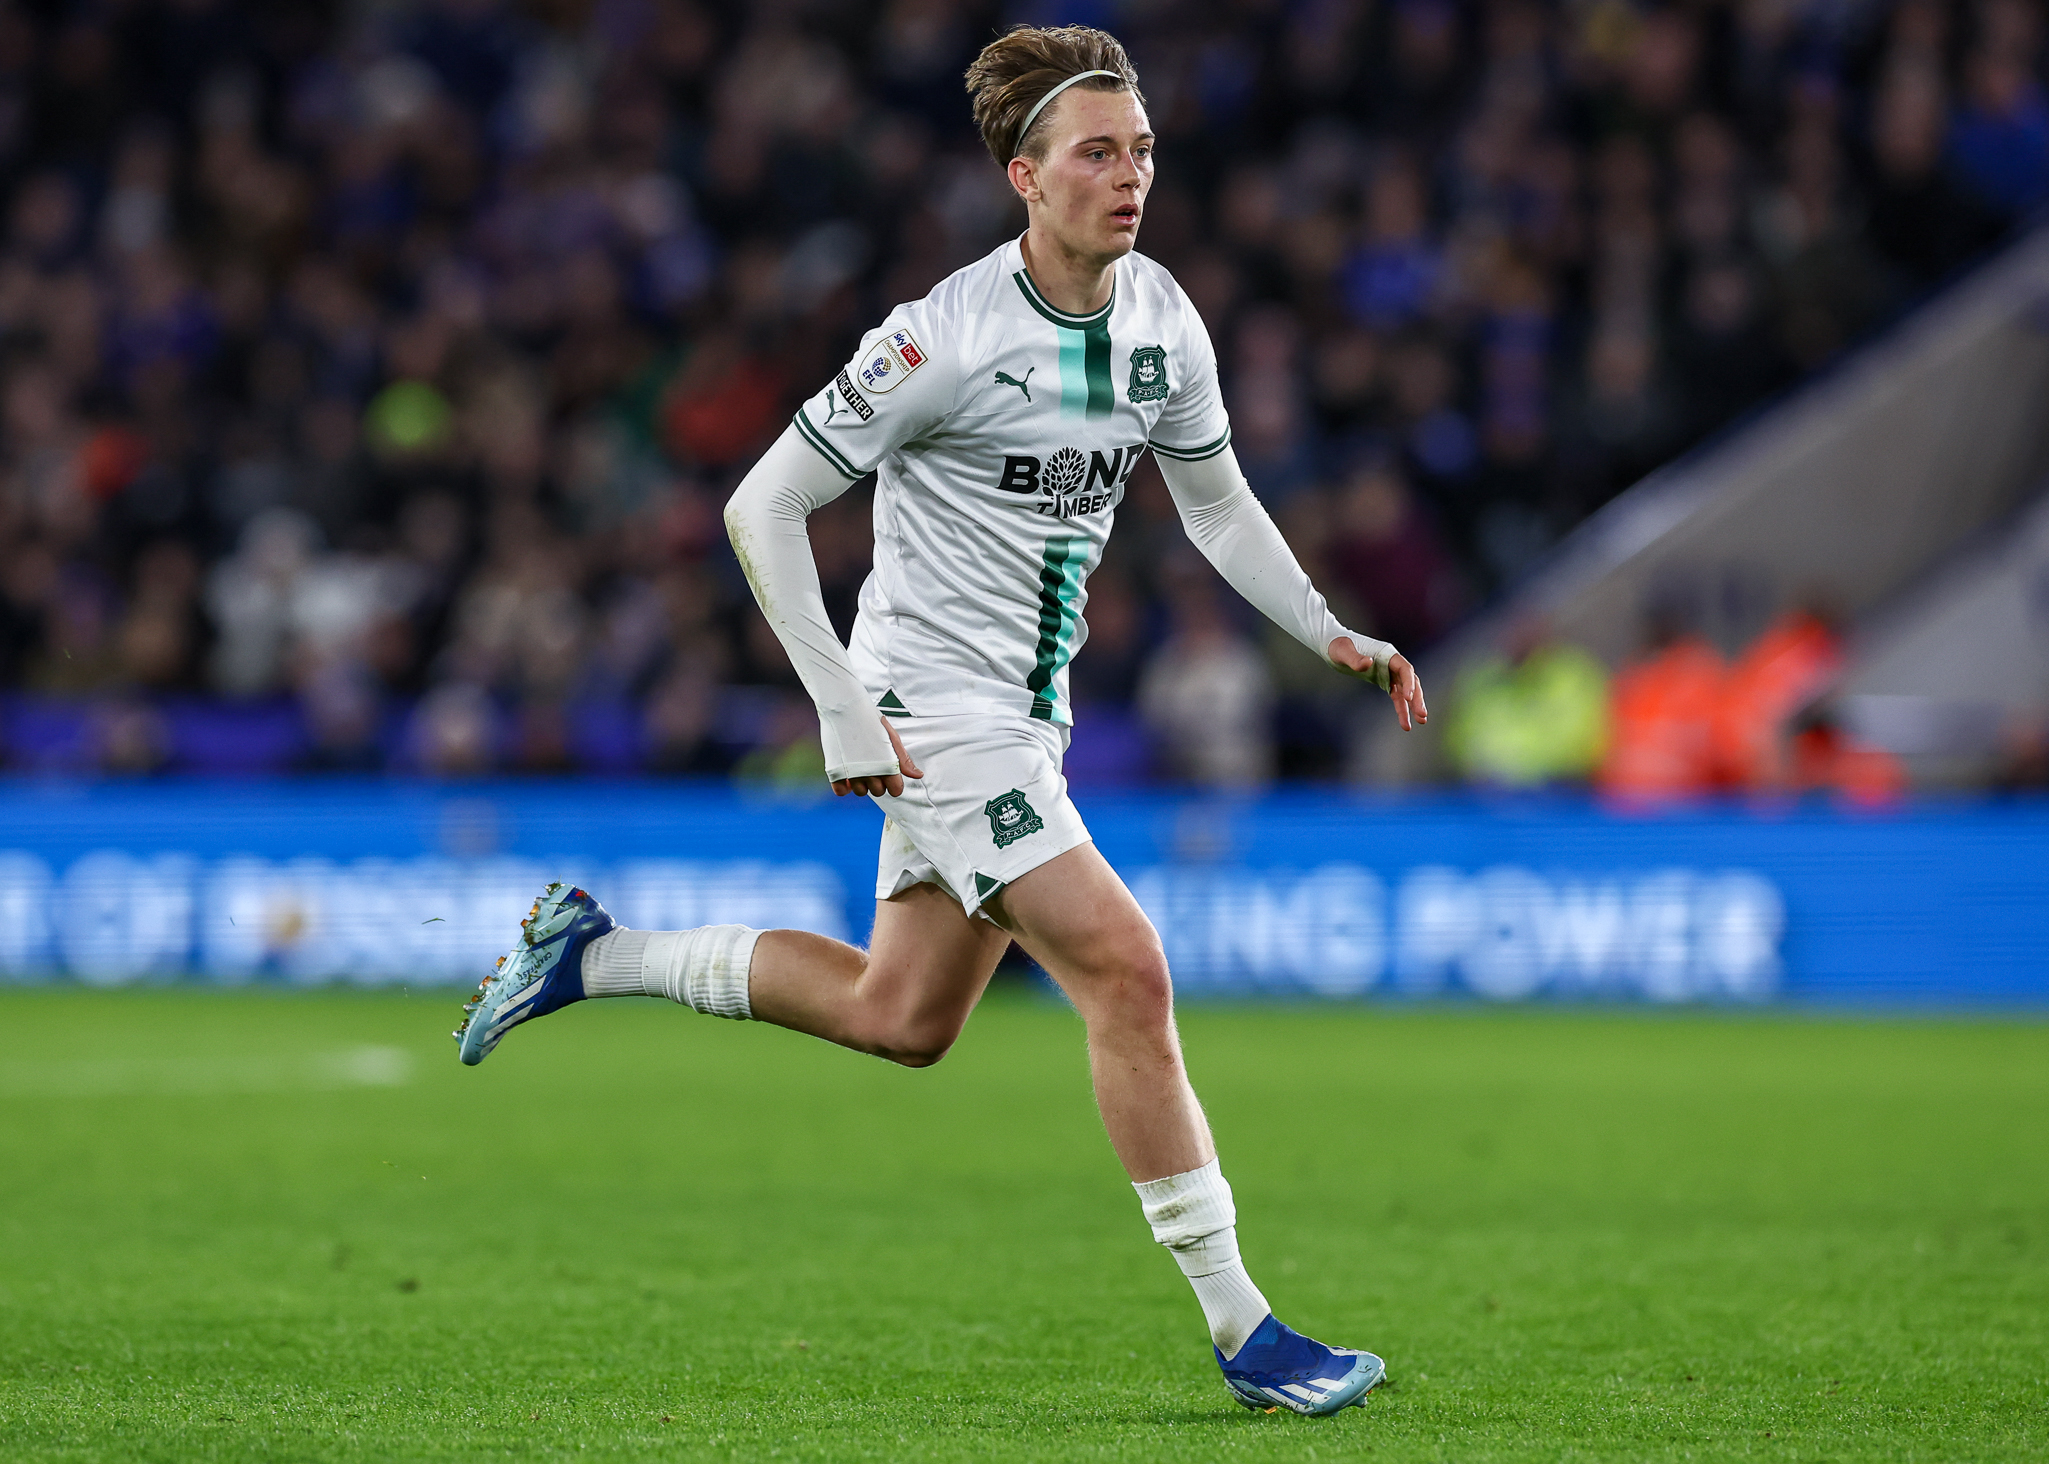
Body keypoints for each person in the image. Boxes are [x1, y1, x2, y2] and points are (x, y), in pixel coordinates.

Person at [453, 25, 1428, 1418]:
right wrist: (843, 709)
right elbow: (761, 506)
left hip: (1026, 721)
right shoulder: (939, 337)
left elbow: (1212, 504)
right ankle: (1247, 1331)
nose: (1129, 174)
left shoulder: (1161, 319)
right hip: (929, 712)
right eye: (1097, 152)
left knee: (899, 1015)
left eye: (1141, 148)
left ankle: (593, 957)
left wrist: (1328, 626)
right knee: (1127, 971)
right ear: (1025, 177)